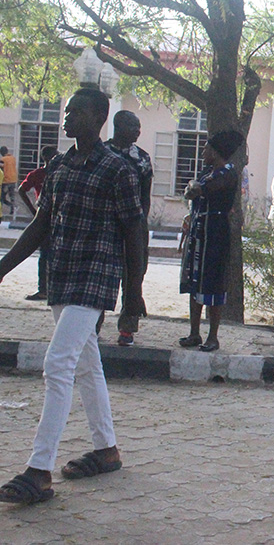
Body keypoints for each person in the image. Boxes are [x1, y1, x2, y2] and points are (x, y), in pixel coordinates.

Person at [0, 88, 145, 506]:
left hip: (96, 277)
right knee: (86, 365)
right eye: (66, 112)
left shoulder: (118, 170)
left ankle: (39, 470)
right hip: (63, 276)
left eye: (75, 112)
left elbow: (135, 233)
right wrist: (4, 267)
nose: (66, 118)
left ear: (99, 117)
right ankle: (106, 450)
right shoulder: (60, 167)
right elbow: (41, 225)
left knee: (58, 364)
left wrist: (134, 296)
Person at [178, 130, 244, 353]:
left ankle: (213, 337)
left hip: (215, 233)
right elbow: (191, 189)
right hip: (200, 231)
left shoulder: (227, 173)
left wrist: (194, 188)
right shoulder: (209, 171)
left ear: (216, 153)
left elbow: (196, 190)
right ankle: (194, 333)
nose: (203, 152)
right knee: (195, 281)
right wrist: (193, 188)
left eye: (206, 149)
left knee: (213, 282)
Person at [106, 110, 153, 347]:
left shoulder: (142, 159)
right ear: (119, 126)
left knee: (134, 277)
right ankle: (92, 326)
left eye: (139, 126)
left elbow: (145, 196)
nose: (138, 130)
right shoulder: (101, 153)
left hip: (134, 226)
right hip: (105, 226)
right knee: (102, 276)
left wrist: (140, 223)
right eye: (133, 125)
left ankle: (128, 329)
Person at [18, 145, 58, 301]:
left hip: (60, 217)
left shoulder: (61, 172)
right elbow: (22, 190)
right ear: (47, 158)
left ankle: (52, 289)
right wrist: (33, 210)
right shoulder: (38, 175)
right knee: (45, 254)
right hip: (44, 218)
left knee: (56, 254)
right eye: (54, 156)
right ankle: (43, 290)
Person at [1, 145, 17, 218]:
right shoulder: (13, 158)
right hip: (13, 180)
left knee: (2, 198)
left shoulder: (3, 159)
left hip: (6, 181)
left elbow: (2, 169)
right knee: (12, 196)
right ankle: (13, 210)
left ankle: (9, 207)